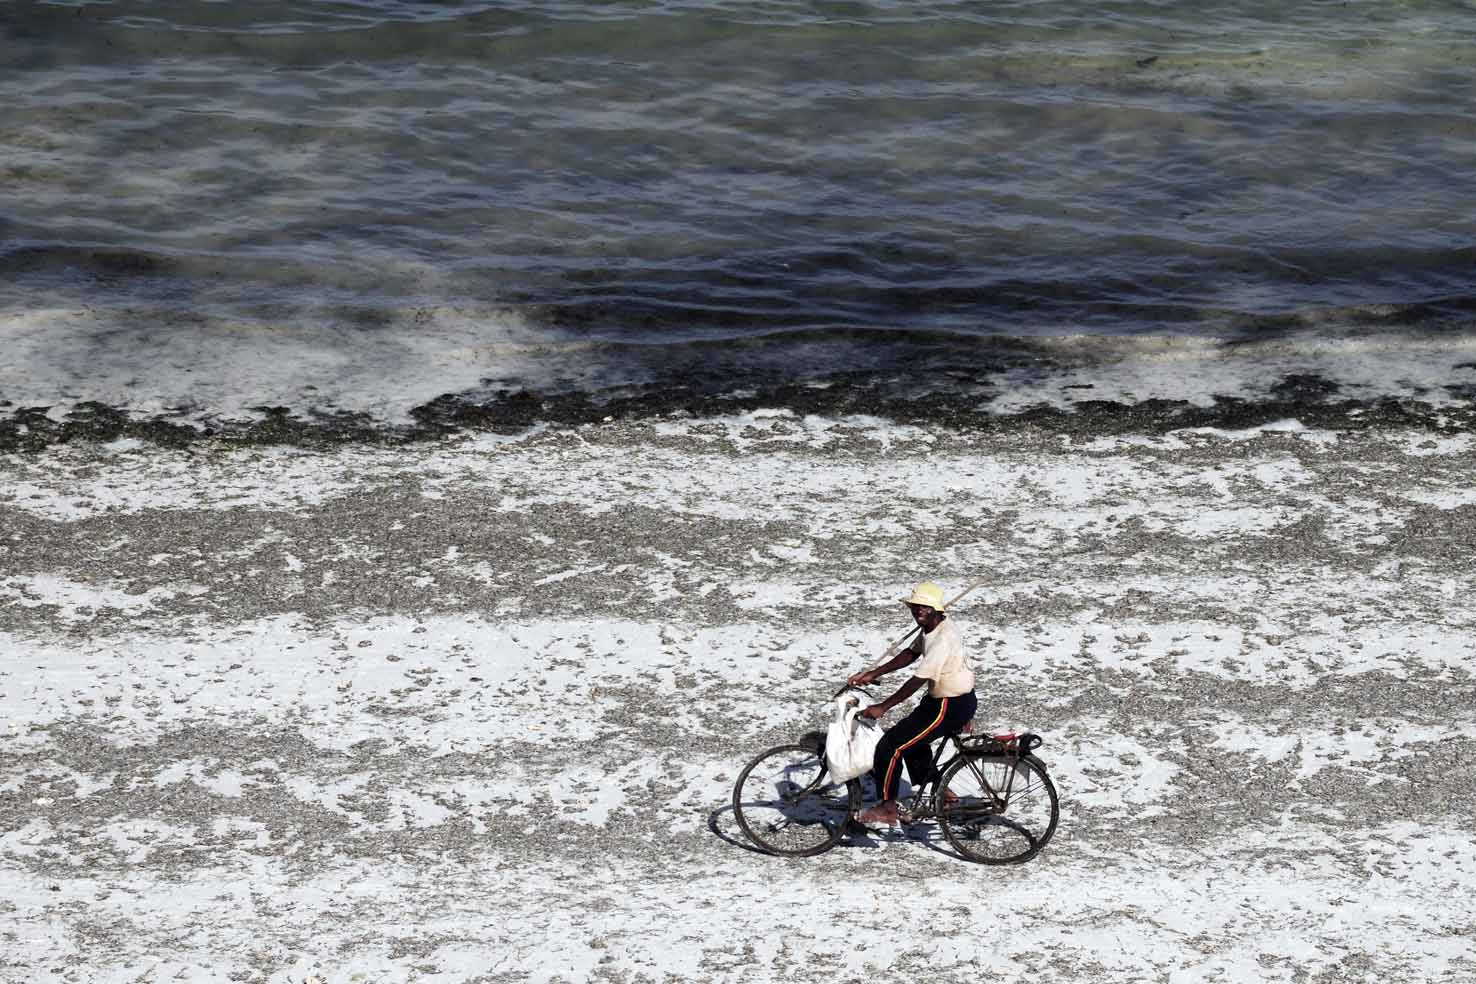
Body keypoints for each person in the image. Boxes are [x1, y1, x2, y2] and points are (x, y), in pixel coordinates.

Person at [847, 580, 977, 825]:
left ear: (936, 609)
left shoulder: (943, 638)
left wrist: (883, 707)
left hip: (950, 705)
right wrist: (873, 674)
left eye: (924, 607)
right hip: (941, 700)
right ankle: (943, 792)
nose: (918, 611)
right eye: (915, 606)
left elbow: (917, 680)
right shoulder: (931, 628)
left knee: (890, 746)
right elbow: (910, 654)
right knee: (914, 744)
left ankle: (887, 807)